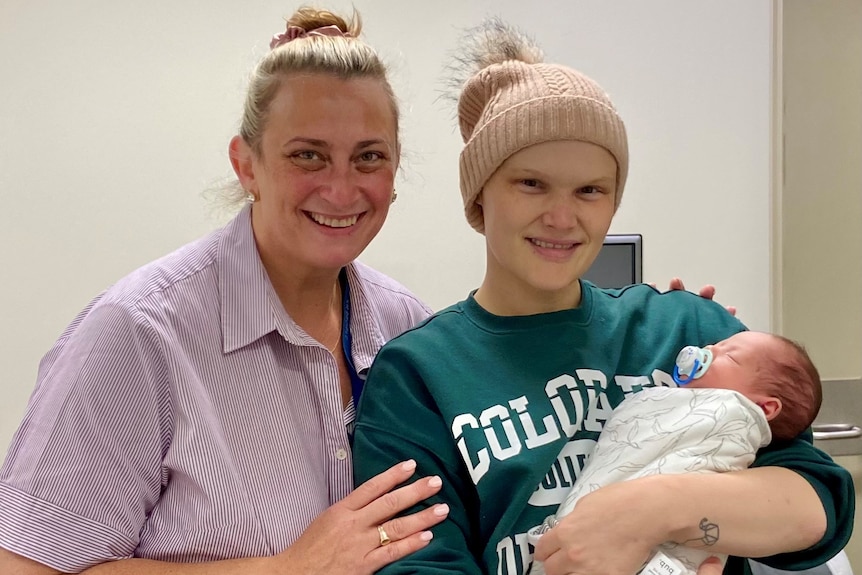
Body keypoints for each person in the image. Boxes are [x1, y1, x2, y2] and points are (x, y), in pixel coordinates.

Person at [351, 18, 854, 575]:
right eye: (531, 183)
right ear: (479, 196)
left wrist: (650, 512)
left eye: (590, 190)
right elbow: (418, 564)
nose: (562, 217)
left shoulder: (685, 330)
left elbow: (818, 506)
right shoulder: (418, 376)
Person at [0, 8, 451, 575]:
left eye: (369, 157)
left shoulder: (409, 327)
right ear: (247, 166)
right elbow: (24, 568)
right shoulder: (139, 334)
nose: (341, 188)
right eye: (307, 155)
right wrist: (289, 570)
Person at [528, 330, 824, 575]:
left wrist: (658, 506)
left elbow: (822, 495)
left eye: (729, 355)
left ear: (764, 408)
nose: (708, 348)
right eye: (715, 345)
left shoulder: (732, 415)